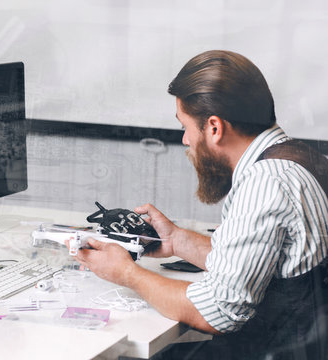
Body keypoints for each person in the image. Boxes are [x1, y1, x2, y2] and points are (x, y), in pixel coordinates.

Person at [72, 50, 328, 359]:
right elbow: (252, 261)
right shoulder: (300, 158)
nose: (185, 141)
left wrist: (126, 274)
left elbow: (219, 311)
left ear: (214, 128)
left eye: (185, 127)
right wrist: (175, 240)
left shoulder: (265, 183)